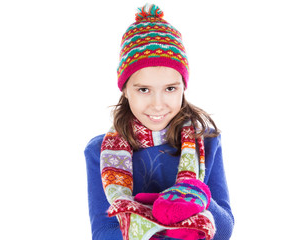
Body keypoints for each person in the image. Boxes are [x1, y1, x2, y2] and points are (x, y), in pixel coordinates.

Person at [84, 4, 234, 240]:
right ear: (124, 90)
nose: (158, 104)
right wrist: (163, 225)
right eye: (144, 89)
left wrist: (196, 196)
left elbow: (224, 231)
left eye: (170, 89)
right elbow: (103, 232)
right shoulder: (99, 152)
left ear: (183, 88)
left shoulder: (205, 141)